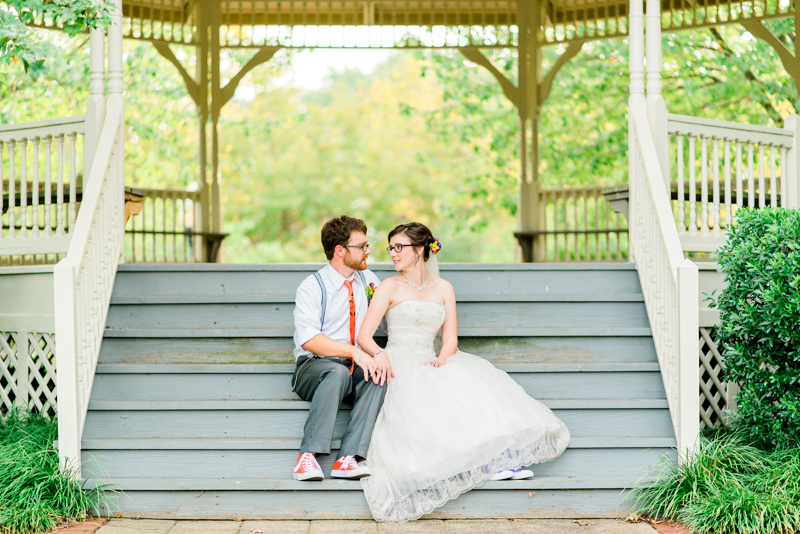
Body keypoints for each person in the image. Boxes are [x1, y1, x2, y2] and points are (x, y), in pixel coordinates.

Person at [356, 222, 571, 522]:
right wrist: (379, 355)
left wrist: (443, 358)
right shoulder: (389, 287)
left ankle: (495, 461)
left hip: (431, 358)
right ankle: (472, 464)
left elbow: (451, 339)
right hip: (396, 363)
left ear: (419, 250)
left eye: (399, 247)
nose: (393, 253)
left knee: (470, 382)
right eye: (391, 247)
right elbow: (364, 336)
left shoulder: (443, 288)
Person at [291, 215, 394, 481]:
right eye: (361, 246)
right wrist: (354, 352)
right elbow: (310, 340)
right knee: (335, 373)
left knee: (379, 374)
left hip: (354, 367)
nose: (368, 251)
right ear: (340, 251)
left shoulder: (368, 279)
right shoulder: (312, 287)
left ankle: (348, 458)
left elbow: (387, 320)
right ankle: (307, 457)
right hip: (313, 367)